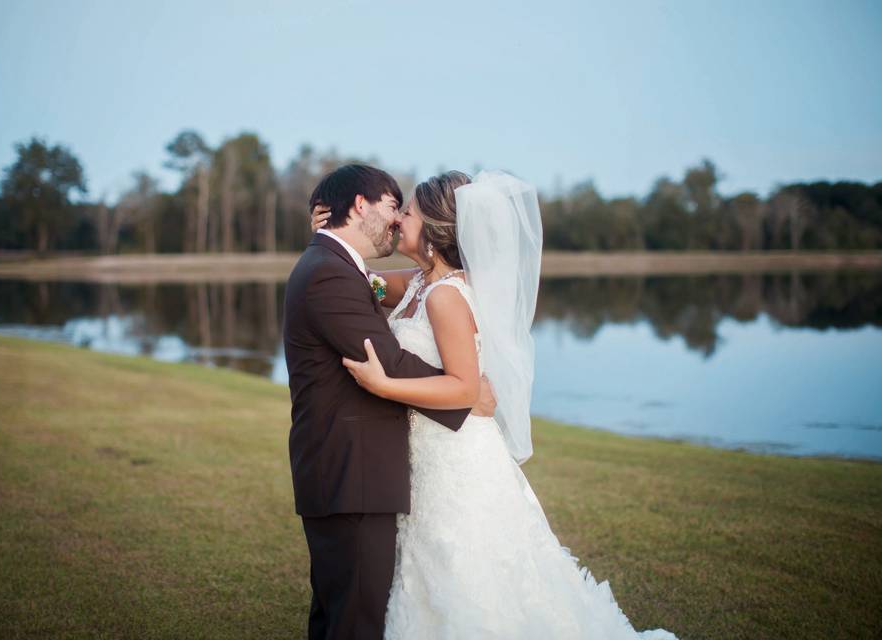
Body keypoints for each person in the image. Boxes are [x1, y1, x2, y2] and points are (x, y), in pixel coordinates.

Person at [316, 169, 679, 639]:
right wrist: (329, 233)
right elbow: (364, 280)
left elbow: (466, 390)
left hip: (454, 456)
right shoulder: (422, 284)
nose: (398, 219)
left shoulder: (446, 296)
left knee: (469, 573)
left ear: (434, 230)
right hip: (430, 452)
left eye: (407, 213)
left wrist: (384, 385)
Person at [282, 164, 497, 640]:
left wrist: (464, 387)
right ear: (360, 205)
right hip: (354, 469)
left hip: (410, 461)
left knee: (354, 608)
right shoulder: (339, 273)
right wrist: (465, 391)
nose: (399, 219)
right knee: (353, 613)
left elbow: (372, 292)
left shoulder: (422, 286)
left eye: (409, 211)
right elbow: (390, 360)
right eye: (393, 207)